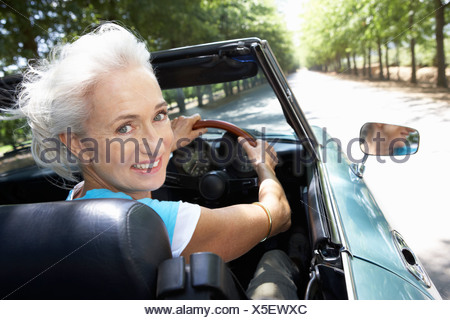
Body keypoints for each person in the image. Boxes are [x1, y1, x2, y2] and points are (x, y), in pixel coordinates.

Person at [7, 22, 296, 298]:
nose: (156, 142)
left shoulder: (79, 199)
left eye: (158, 115)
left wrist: (169, 143)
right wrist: (263, 167)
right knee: (276, 255)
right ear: (77, 144)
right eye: (124, 127)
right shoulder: (166, 223)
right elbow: (279, 214)